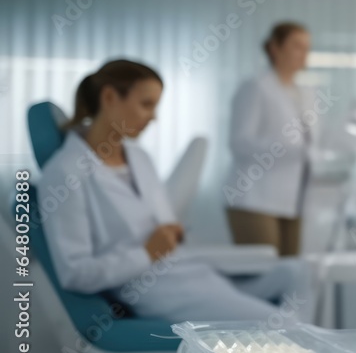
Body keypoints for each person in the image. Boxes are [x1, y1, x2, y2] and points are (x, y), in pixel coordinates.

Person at [38, 59, 314, 325]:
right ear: (109, 98)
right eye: (146, 104)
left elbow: (161, 222)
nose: (154, 117)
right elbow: (75, 273)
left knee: (299, 271)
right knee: (287, 325)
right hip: (154, 287)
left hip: (191, 270)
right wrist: (147, 253)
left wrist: (171, 232)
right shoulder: (64, 174)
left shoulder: (138, 156)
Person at [225, 21, 316, 256]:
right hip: (253, 197)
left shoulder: (305, 94)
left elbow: (312, 141)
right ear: (275, 48)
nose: (305, 53)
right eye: (297, 46)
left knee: (290, 275)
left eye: (307, 47)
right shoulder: (255, 88)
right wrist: (291, 150)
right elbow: (239, 142)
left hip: (293, 200)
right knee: (263, 275)